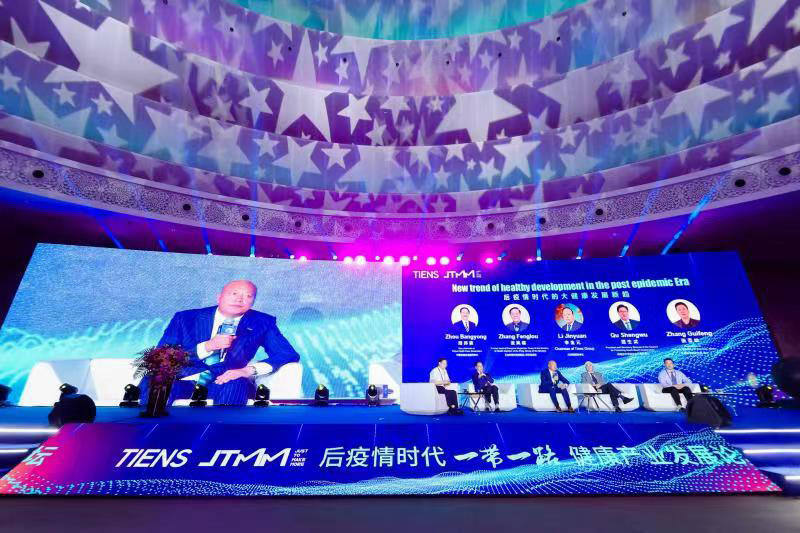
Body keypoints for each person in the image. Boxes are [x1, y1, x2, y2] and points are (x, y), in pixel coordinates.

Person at [139, 280, 300, 406]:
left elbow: (287, 354)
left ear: (252, 302)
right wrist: (208, 346)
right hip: (182, 379)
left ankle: (220, 435)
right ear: (219, 297)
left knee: (236, 384)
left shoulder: (262, 322)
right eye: (234, 293)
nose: (239, 299)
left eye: (248, 296)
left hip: (225, 380)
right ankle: (149, 433)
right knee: (157, 379)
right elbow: (161, 355)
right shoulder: (186, 318)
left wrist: (247, 370)